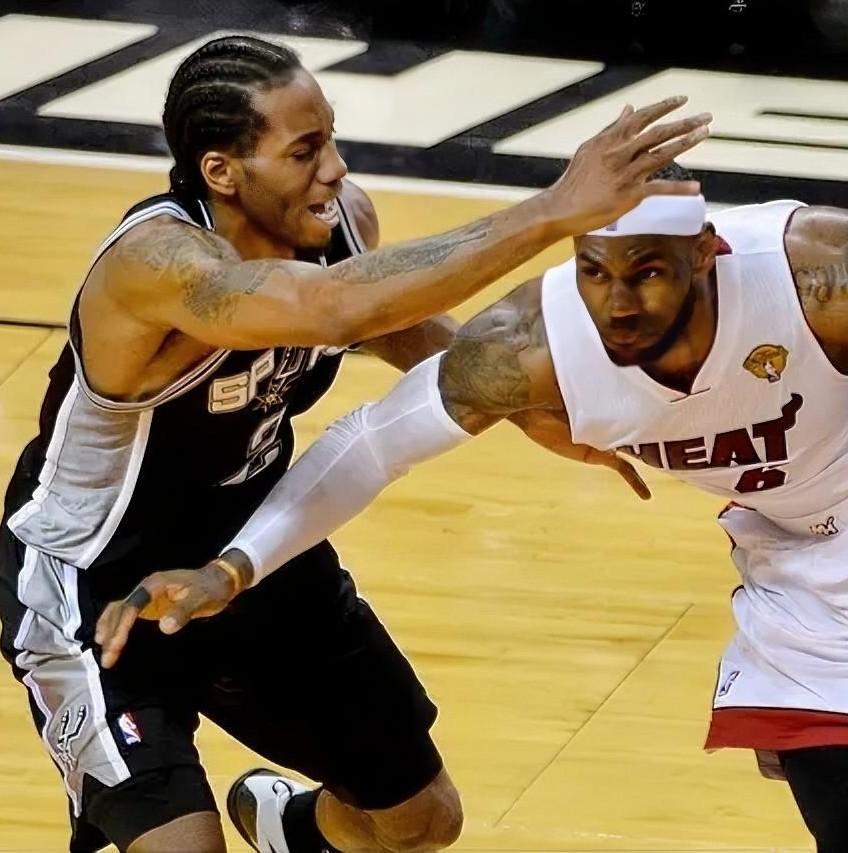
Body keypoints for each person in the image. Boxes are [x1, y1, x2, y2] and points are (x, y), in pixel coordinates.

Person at [102, 167, 848, 851]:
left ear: (707, 254)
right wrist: (233, 567)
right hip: (804, 571)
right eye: (596, 271)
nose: (620, 301)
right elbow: (370, 442)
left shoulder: (814, 274)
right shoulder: (529, 348)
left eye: (648, 272)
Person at [0, 33, 711, 853]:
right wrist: (552, 210)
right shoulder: (156, 264)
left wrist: (515, 401)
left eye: (331, 139)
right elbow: (336, 308)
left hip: (256, 546)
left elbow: (388, 320)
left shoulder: (338, 222)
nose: (335, 169)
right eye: (305, 151)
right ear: (222, 171)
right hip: (97, 580)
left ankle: (289, 830)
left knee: (421, 820)